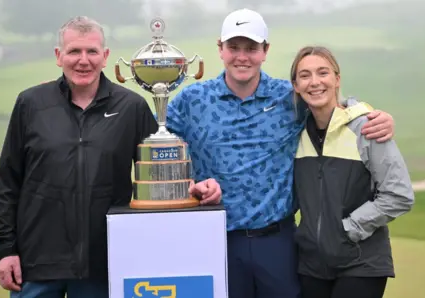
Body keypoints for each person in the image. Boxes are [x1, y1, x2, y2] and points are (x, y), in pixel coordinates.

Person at [165, 8, 395, 298]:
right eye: (234, 48)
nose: (242, 57)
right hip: (215, 238)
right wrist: (189, 185)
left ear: (265, 51)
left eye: (252, 48)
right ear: (220, 49)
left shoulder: (289, 98)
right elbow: (160, 148)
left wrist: (370, 115)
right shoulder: (191, 100)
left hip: (277, 241)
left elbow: (328, 104)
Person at [0, 16, 222, 298]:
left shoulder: (131, 107)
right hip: (37, 263)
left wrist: (192, 190)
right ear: (58, 56)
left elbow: (157, 173)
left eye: (92, 52)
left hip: (106, 265)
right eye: (74, 51)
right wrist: (5, 250)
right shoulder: (31, 104)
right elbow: (8, 180)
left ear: (105, 56)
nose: (83, 60)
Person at [291, 45, 415, 298]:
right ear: (295, 85)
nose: (315, 82)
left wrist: (349, 228)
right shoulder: (295, 134)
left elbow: (399, 194)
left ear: (337, 79)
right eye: (305, 75)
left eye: (323, 73)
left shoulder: (368, 128)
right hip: (312, 265)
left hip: (362, 262)